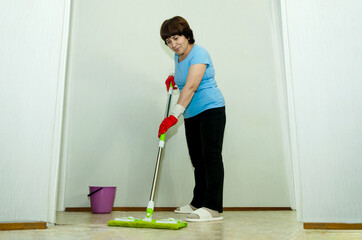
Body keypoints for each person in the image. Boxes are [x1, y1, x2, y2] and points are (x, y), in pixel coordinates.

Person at [158, 16, 226, 222]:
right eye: (168, 41)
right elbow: (184, 80)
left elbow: (191, 86)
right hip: (192, 113)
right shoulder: (178, 57)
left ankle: (213, 208)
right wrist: (173, 77)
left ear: (187, 35)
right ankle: (198, 203)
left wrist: (173, 115)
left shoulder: (199, 53)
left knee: (211, 157)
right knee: (197, 160)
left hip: (210, 109)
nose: (173, 44)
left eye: (176, 38)